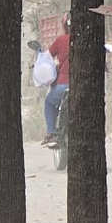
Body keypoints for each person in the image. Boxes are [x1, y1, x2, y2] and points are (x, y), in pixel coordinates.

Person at [41, 13, 70, 145]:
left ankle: (52, 133)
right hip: (87, 87)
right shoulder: (91, 39)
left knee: (49, 102)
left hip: (64, 85)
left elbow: (47, 58)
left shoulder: (61, 40)